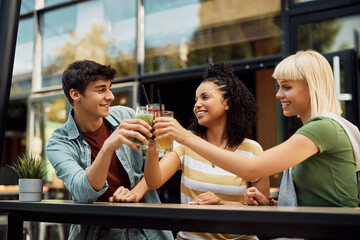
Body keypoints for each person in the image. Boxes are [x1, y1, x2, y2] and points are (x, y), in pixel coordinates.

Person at [152, 50, 360, 208]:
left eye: (286, 86)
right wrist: (269, 204)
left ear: (311, 87)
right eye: (279, 86)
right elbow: (313, 203)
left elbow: (251, 169)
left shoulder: (323, 129)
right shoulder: (319, 130)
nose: (279, 94)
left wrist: (185, 137)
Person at [46, 60, 174, 240]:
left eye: (109, 88)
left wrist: (135, 192)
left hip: (147, 229)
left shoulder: (127, 116)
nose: (111, 96)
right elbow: (83, 192)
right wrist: (107, 147)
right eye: (101, 90)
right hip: (98, 233)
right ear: (75, 94)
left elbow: (155, 169)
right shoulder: (58, 144)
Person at [145, 62, 270, 240]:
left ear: (227, 103)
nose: (197, 104)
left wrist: (222, 204)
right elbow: (153, 182)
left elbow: (263, 211)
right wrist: (152, 146)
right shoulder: (185, 144)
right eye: (196, 99)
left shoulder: (251, 150)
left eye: (205, 97)